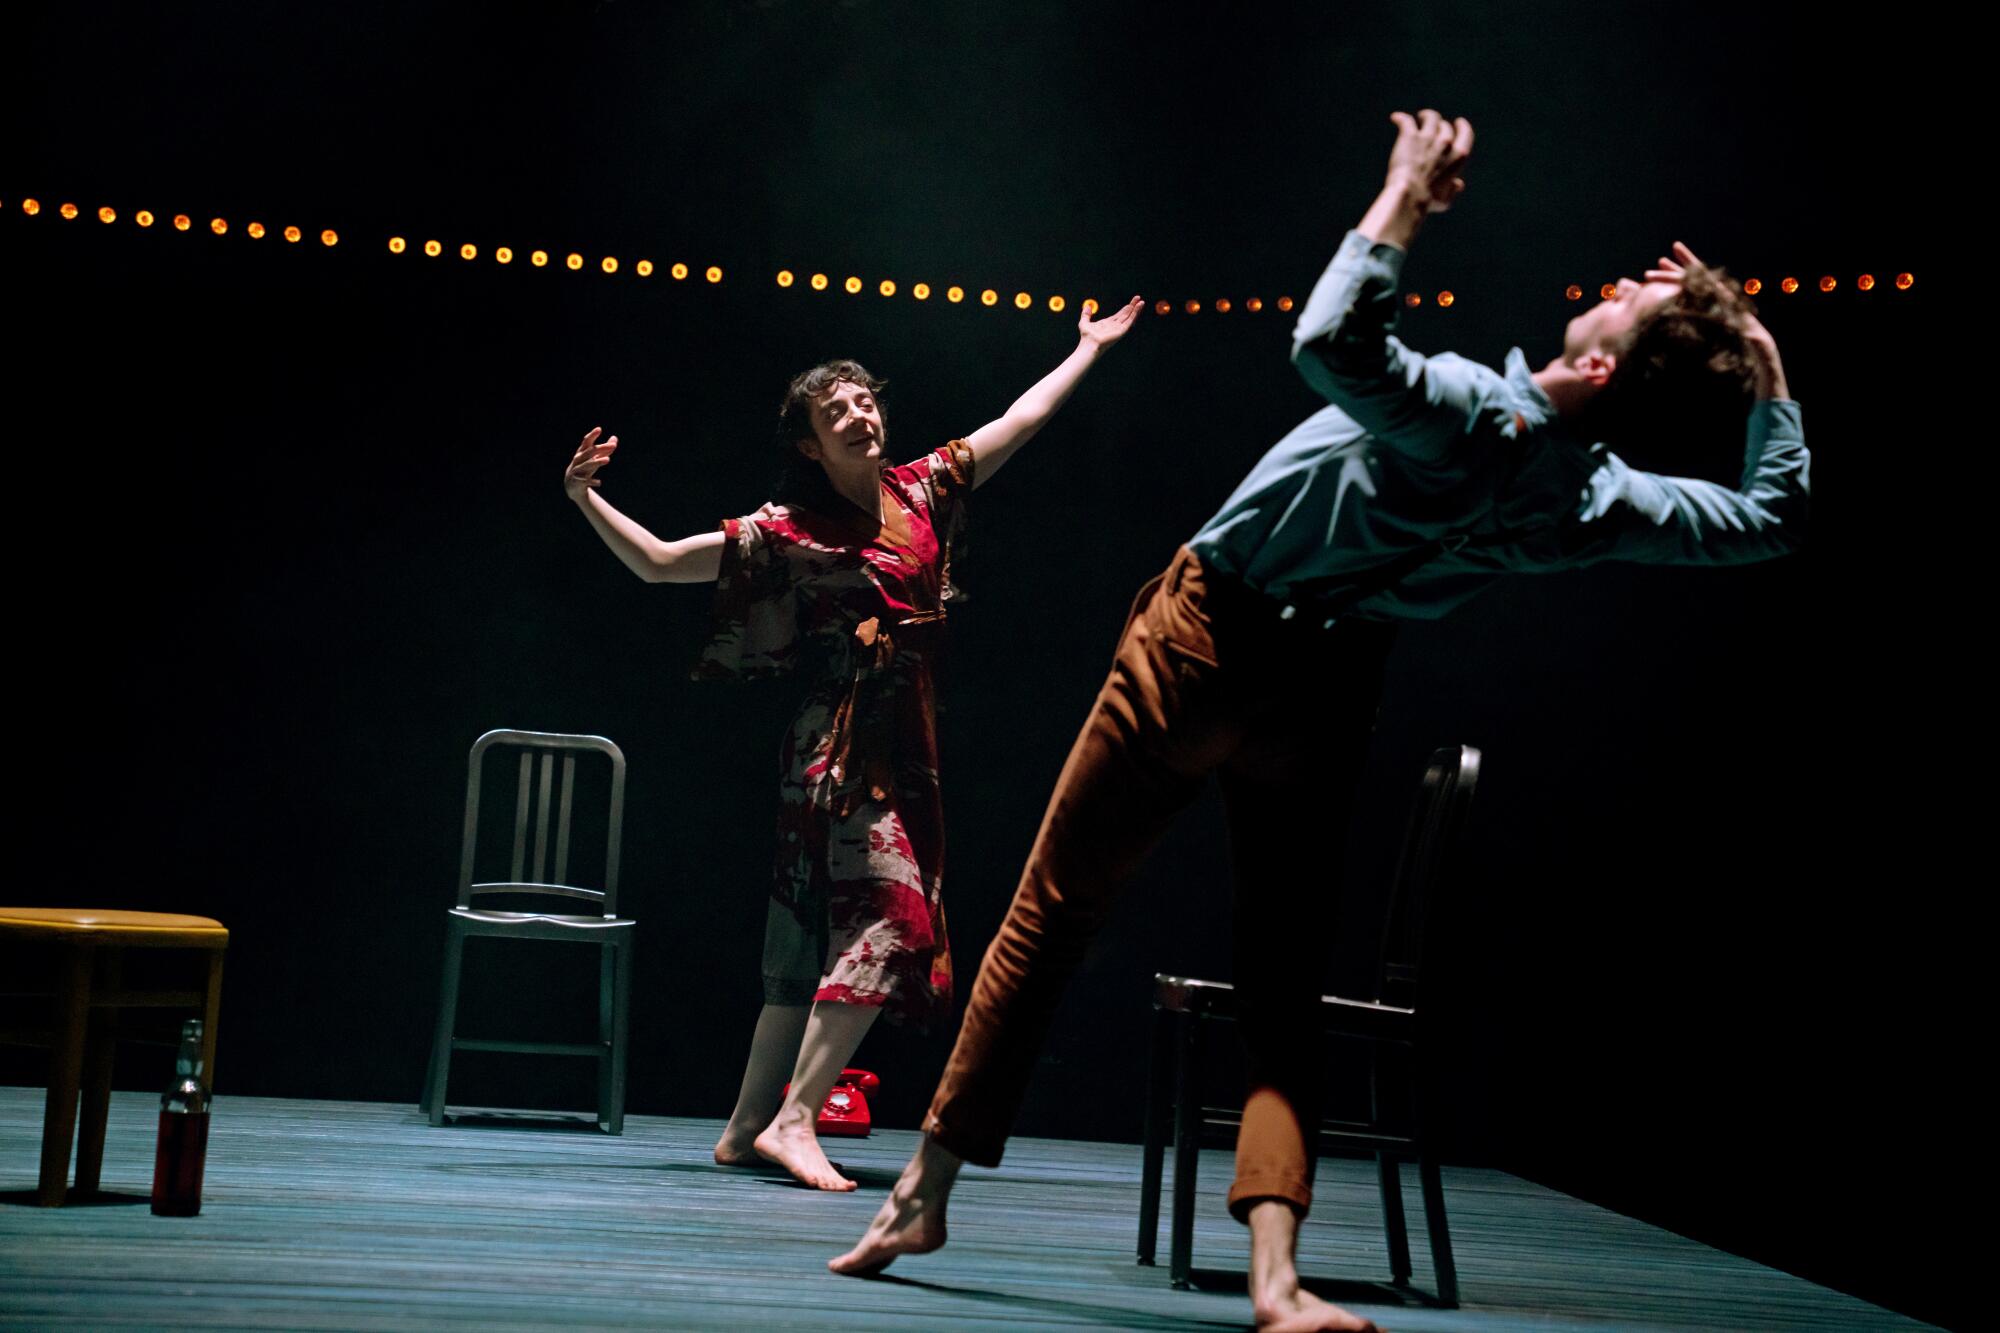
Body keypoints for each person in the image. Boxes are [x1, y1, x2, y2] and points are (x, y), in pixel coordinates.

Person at [831, 109, 1808, 1333]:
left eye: (1624, 302)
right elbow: (1764, 517)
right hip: (1326, 691)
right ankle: (1275, 1280)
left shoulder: (1467, 413)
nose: (1613, 287)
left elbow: (1330, 343)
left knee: (1052, 910)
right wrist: (1757, 362)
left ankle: (923, 1194)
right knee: (1282, 978)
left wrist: (1401, 194)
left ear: (1605, 368)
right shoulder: (1592, 501)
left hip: (1204, 643)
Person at [562, 297, 1144, 1192]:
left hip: (901, 738)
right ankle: (797, 1118)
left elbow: (1020, 420)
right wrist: (586, 497)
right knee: (892, 918)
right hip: (837, 748)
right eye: (836, 413)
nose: (858, 414)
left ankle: (746, 1125)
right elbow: (659, 561)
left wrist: (1087, 350)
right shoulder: (792, 533)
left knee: (803, 942)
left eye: (864, 401)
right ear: (810, 446)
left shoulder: (923, 488)